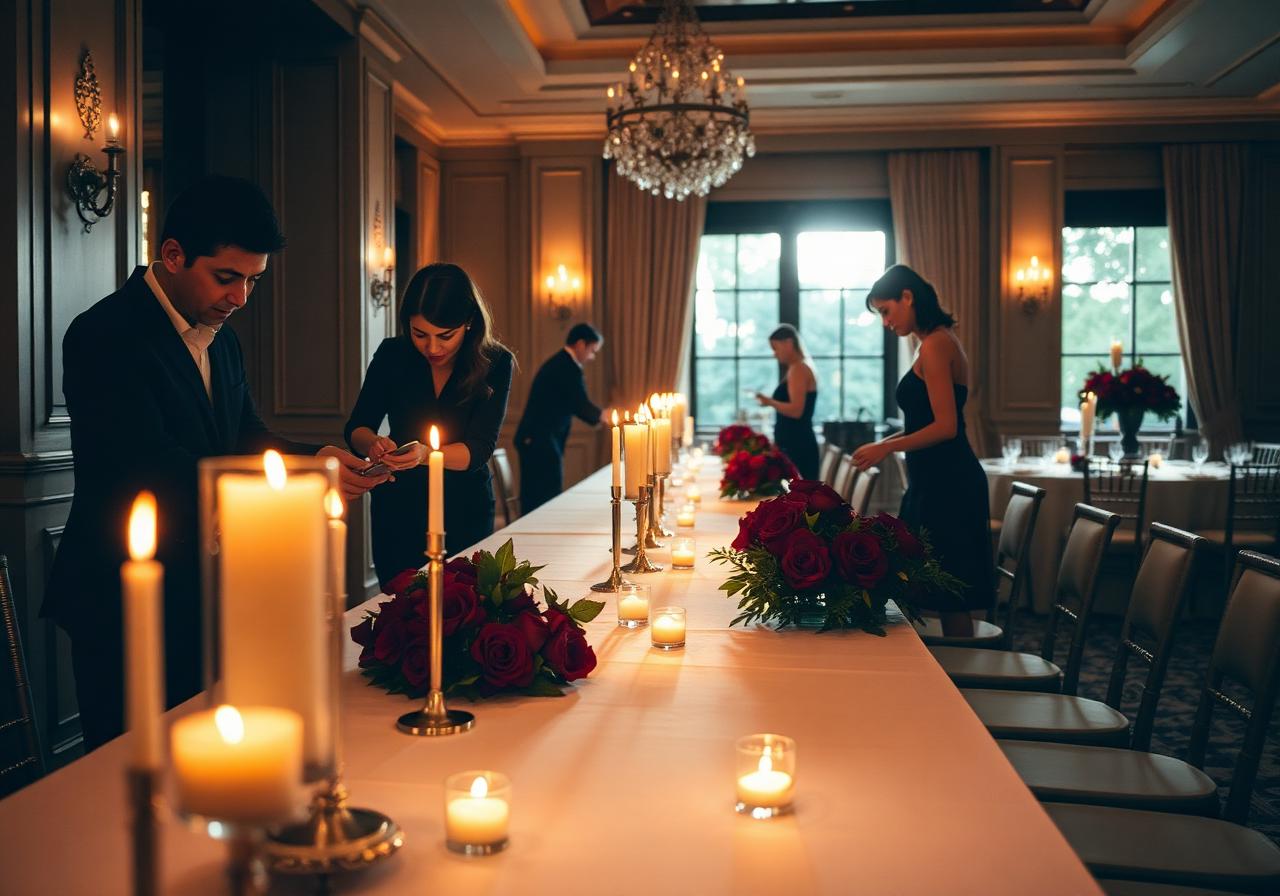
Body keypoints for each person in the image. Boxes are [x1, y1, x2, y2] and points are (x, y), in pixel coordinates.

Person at [43, 175, 384, 752]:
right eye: (227, 277)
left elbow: (244, 434)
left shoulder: (221, 338)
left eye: (252, 281)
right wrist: (297, 481)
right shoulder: (104, 334)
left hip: (209, 587)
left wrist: (318, 459)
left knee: (213, 760)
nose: (241, 298)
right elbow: (147, 464)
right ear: (172, 254)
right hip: (123, 594)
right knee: (130, 770)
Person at [345, 263, 514, 584]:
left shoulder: (496, 361)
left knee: (463, 613)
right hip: (397, 508)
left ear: (469, 324)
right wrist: (373, 444)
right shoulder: (392, 354)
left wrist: (425, 455)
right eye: (419, 334)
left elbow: (479, 449)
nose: (432, 348)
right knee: (398, 615)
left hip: (464, 506)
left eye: (445, 336)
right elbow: (357, 426)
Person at [851, 265, 993, 636]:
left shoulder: (936, 344)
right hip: (933, 480)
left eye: (886, 310)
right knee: (930, 585)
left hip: (949, 482)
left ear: (908, 298)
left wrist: (887, 448)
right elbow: (922, 422)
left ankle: (960, 680)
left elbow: (945, 427)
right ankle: (936, 676)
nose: (885, 321)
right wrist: (885, 445)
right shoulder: (930, 342)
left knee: (949, 591)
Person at [514, 323, 605, 513]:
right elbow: (580, 403)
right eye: (592, 350)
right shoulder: (567, 367)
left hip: (539, 439)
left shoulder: (561, 363)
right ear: (581, 344)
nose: (592, 357)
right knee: (543, 498)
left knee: (540, 497)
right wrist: (606, 417)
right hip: (540, 441)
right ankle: (537, 535)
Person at [755, 323, 820, 480]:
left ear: (789, 343)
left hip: (798, 448)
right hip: (794, 445)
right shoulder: (796, 368)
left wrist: (769, 402)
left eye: (775, 348)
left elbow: (796, 411)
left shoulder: (799, 368)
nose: (774, 354)